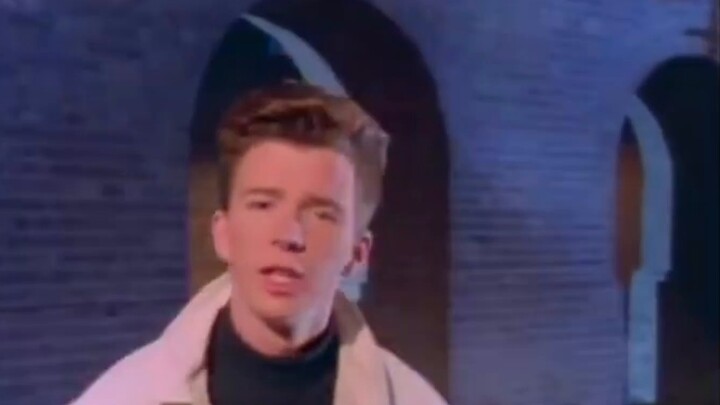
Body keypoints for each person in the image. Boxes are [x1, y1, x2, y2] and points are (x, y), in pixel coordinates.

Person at [70, 81, 448, 405]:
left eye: (321, 214)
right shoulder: (124, 395)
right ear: (223, 233)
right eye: (263, 205)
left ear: (358, 254)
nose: (289, 236)